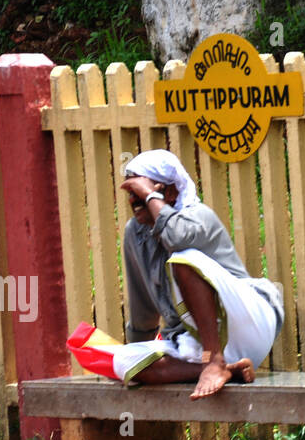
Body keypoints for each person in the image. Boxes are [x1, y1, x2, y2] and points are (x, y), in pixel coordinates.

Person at [87, 149, 283, 398]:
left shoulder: (198, 216)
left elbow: (176, 239)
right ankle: (221, 368)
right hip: (199, 344)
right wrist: (138, 354)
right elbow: (143, 311)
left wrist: (150, 195)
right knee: (123, 364)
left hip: (249, 325)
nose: (133, 201)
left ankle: (213, 361)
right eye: (132, 193)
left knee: (182, 259)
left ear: (169, 192)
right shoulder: (135, 233)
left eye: (139, 192)